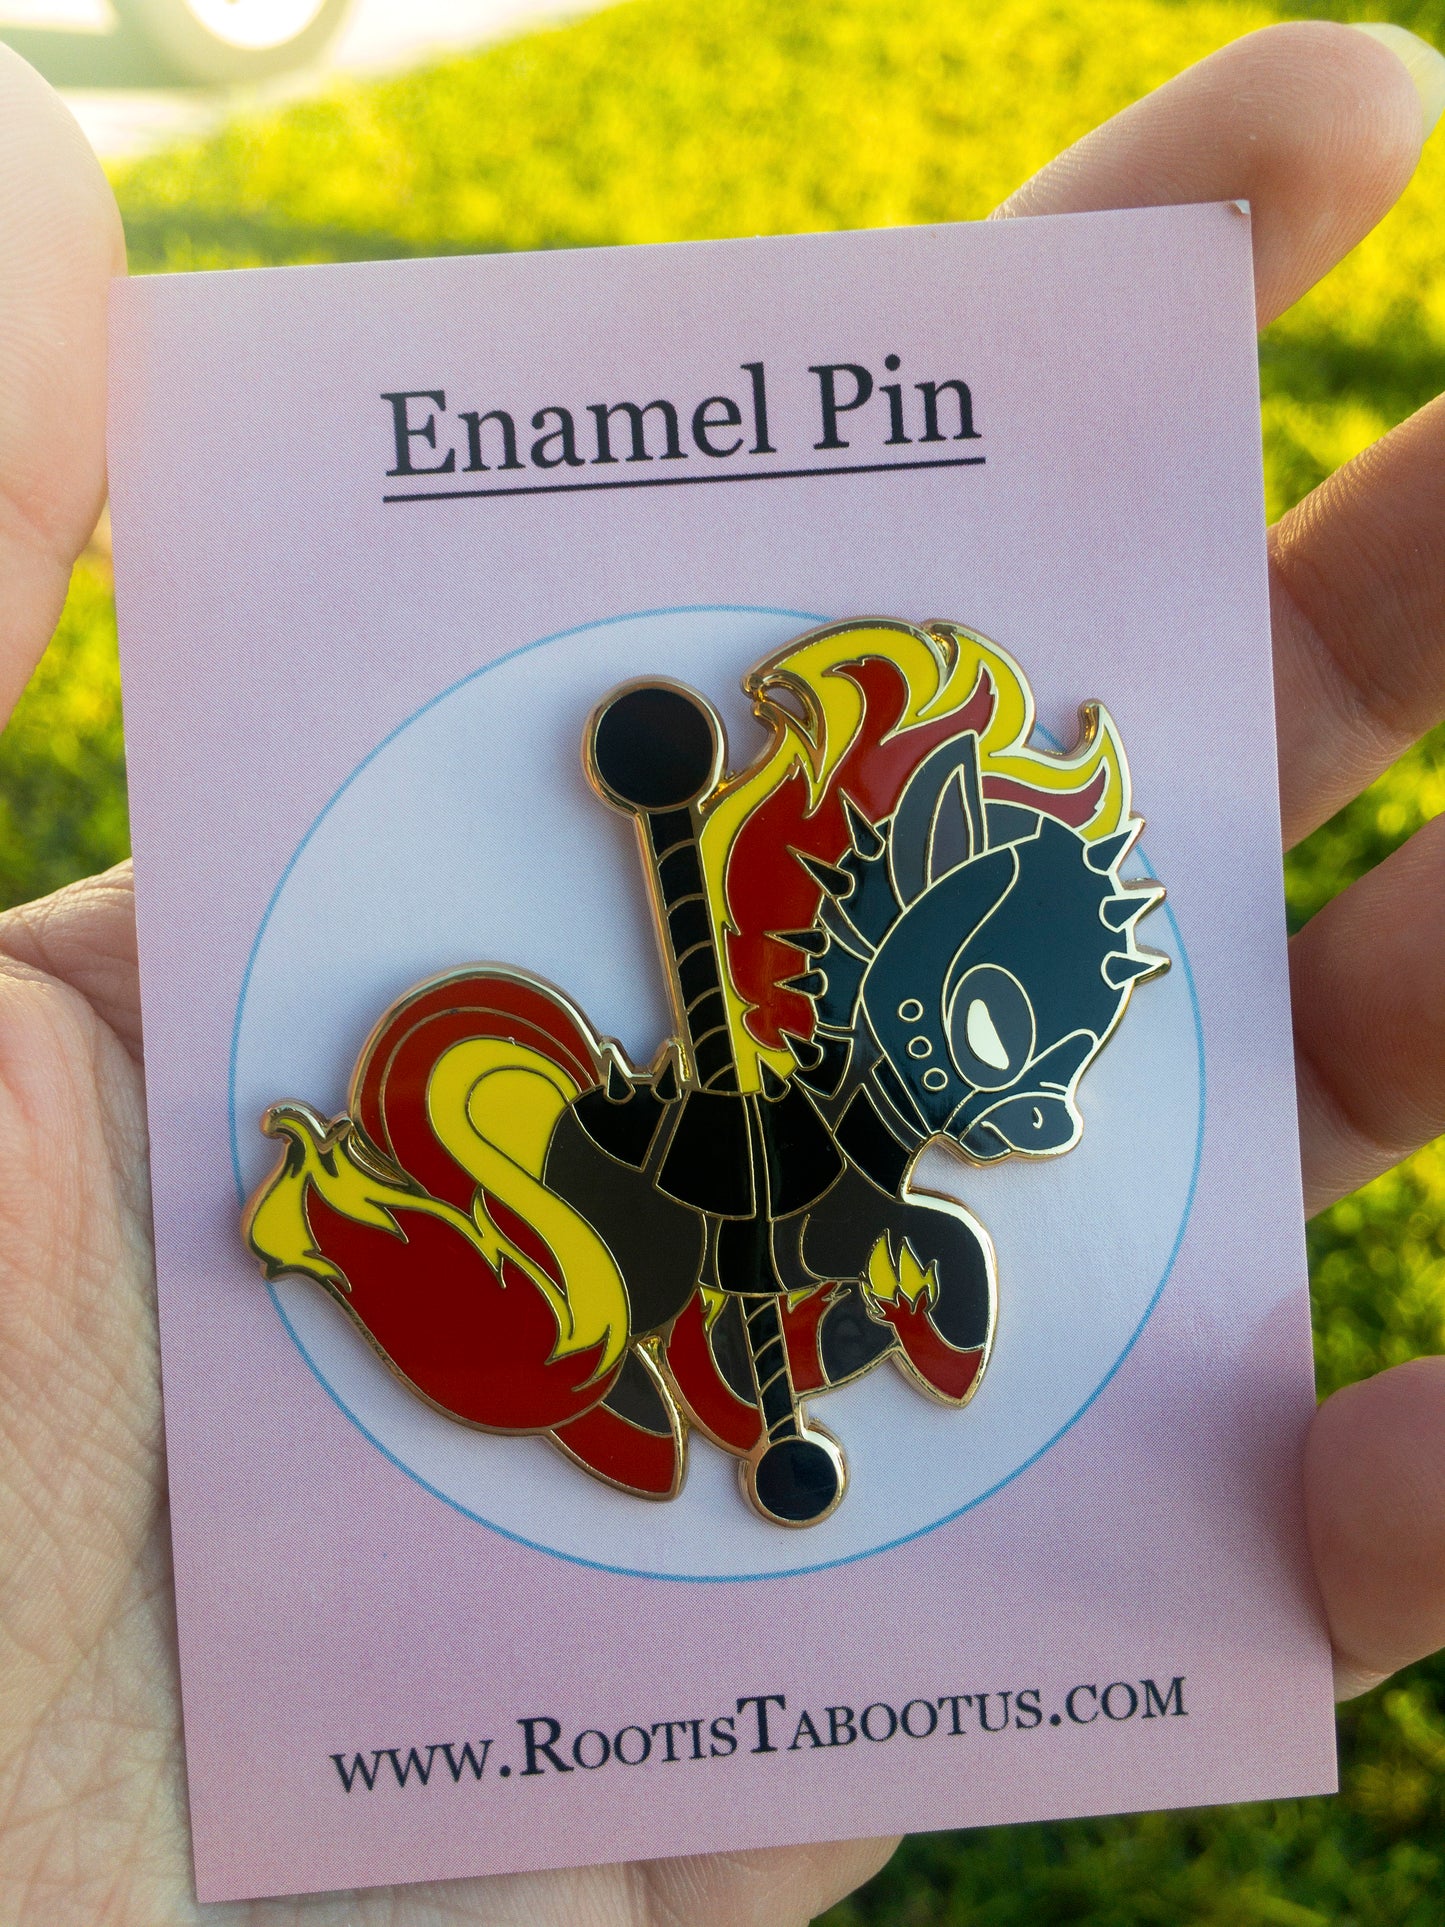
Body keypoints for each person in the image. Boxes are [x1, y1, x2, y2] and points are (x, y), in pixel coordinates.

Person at [0, 15, 1443, 1922]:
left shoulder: (890, 1180)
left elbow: (888, 1295)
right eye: (999, 1024)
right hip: (611, 1232)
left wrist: (880, 1283)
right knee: (582, 1307)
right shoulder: (751, 1054)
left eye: (1040, 1061)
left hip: (732, 1319)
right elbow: (743, 1197)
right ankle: (349, 1219)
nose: (1022, 1096)